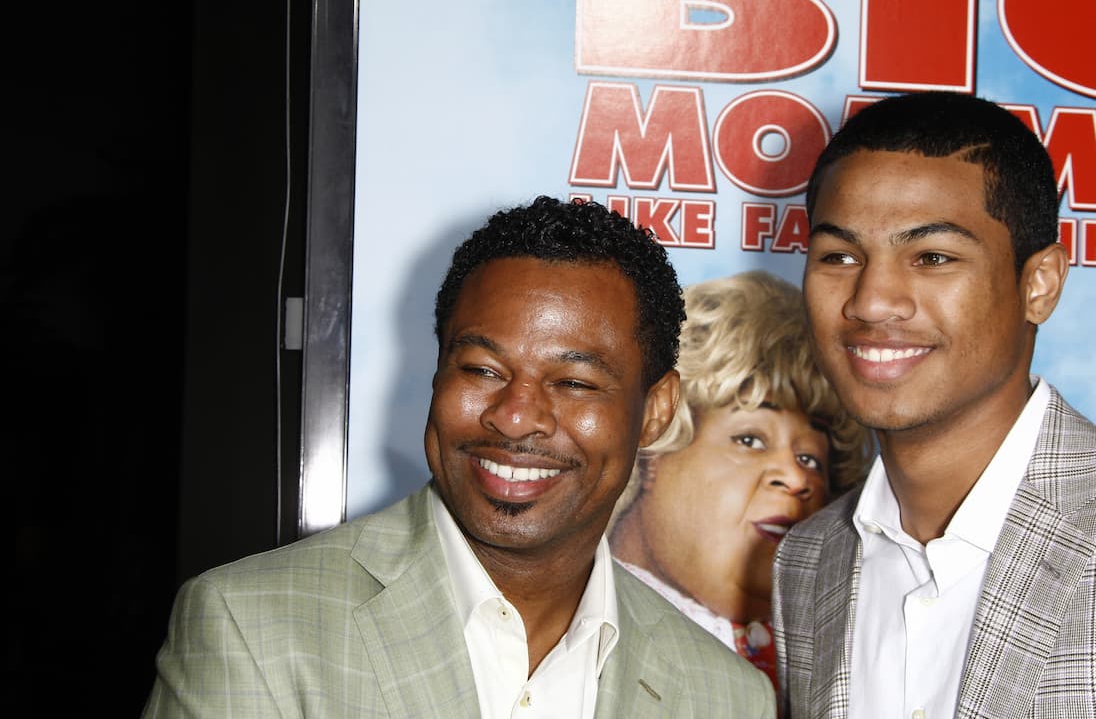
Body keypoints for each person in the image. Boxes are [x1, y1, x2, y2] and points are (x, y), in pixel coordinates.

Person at [145, 196, 775, 718]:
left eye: (574, 382)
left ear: (658, 410)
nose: (516, 414)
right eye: (480, 368)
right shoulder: (251, 628)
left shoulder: (725, 696)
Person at [772, 92, 1096, 719]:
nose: (871, 301)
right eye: (839, 257)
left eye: (933, 258)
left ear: (1040, 284)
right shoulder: (807, 560)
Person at [607, 270, 869, 687]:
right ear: (653, 449)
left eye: (811, 459)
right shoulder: (575, 629)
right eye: (750, 439)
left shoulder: (844, 652)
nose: (796, 477)